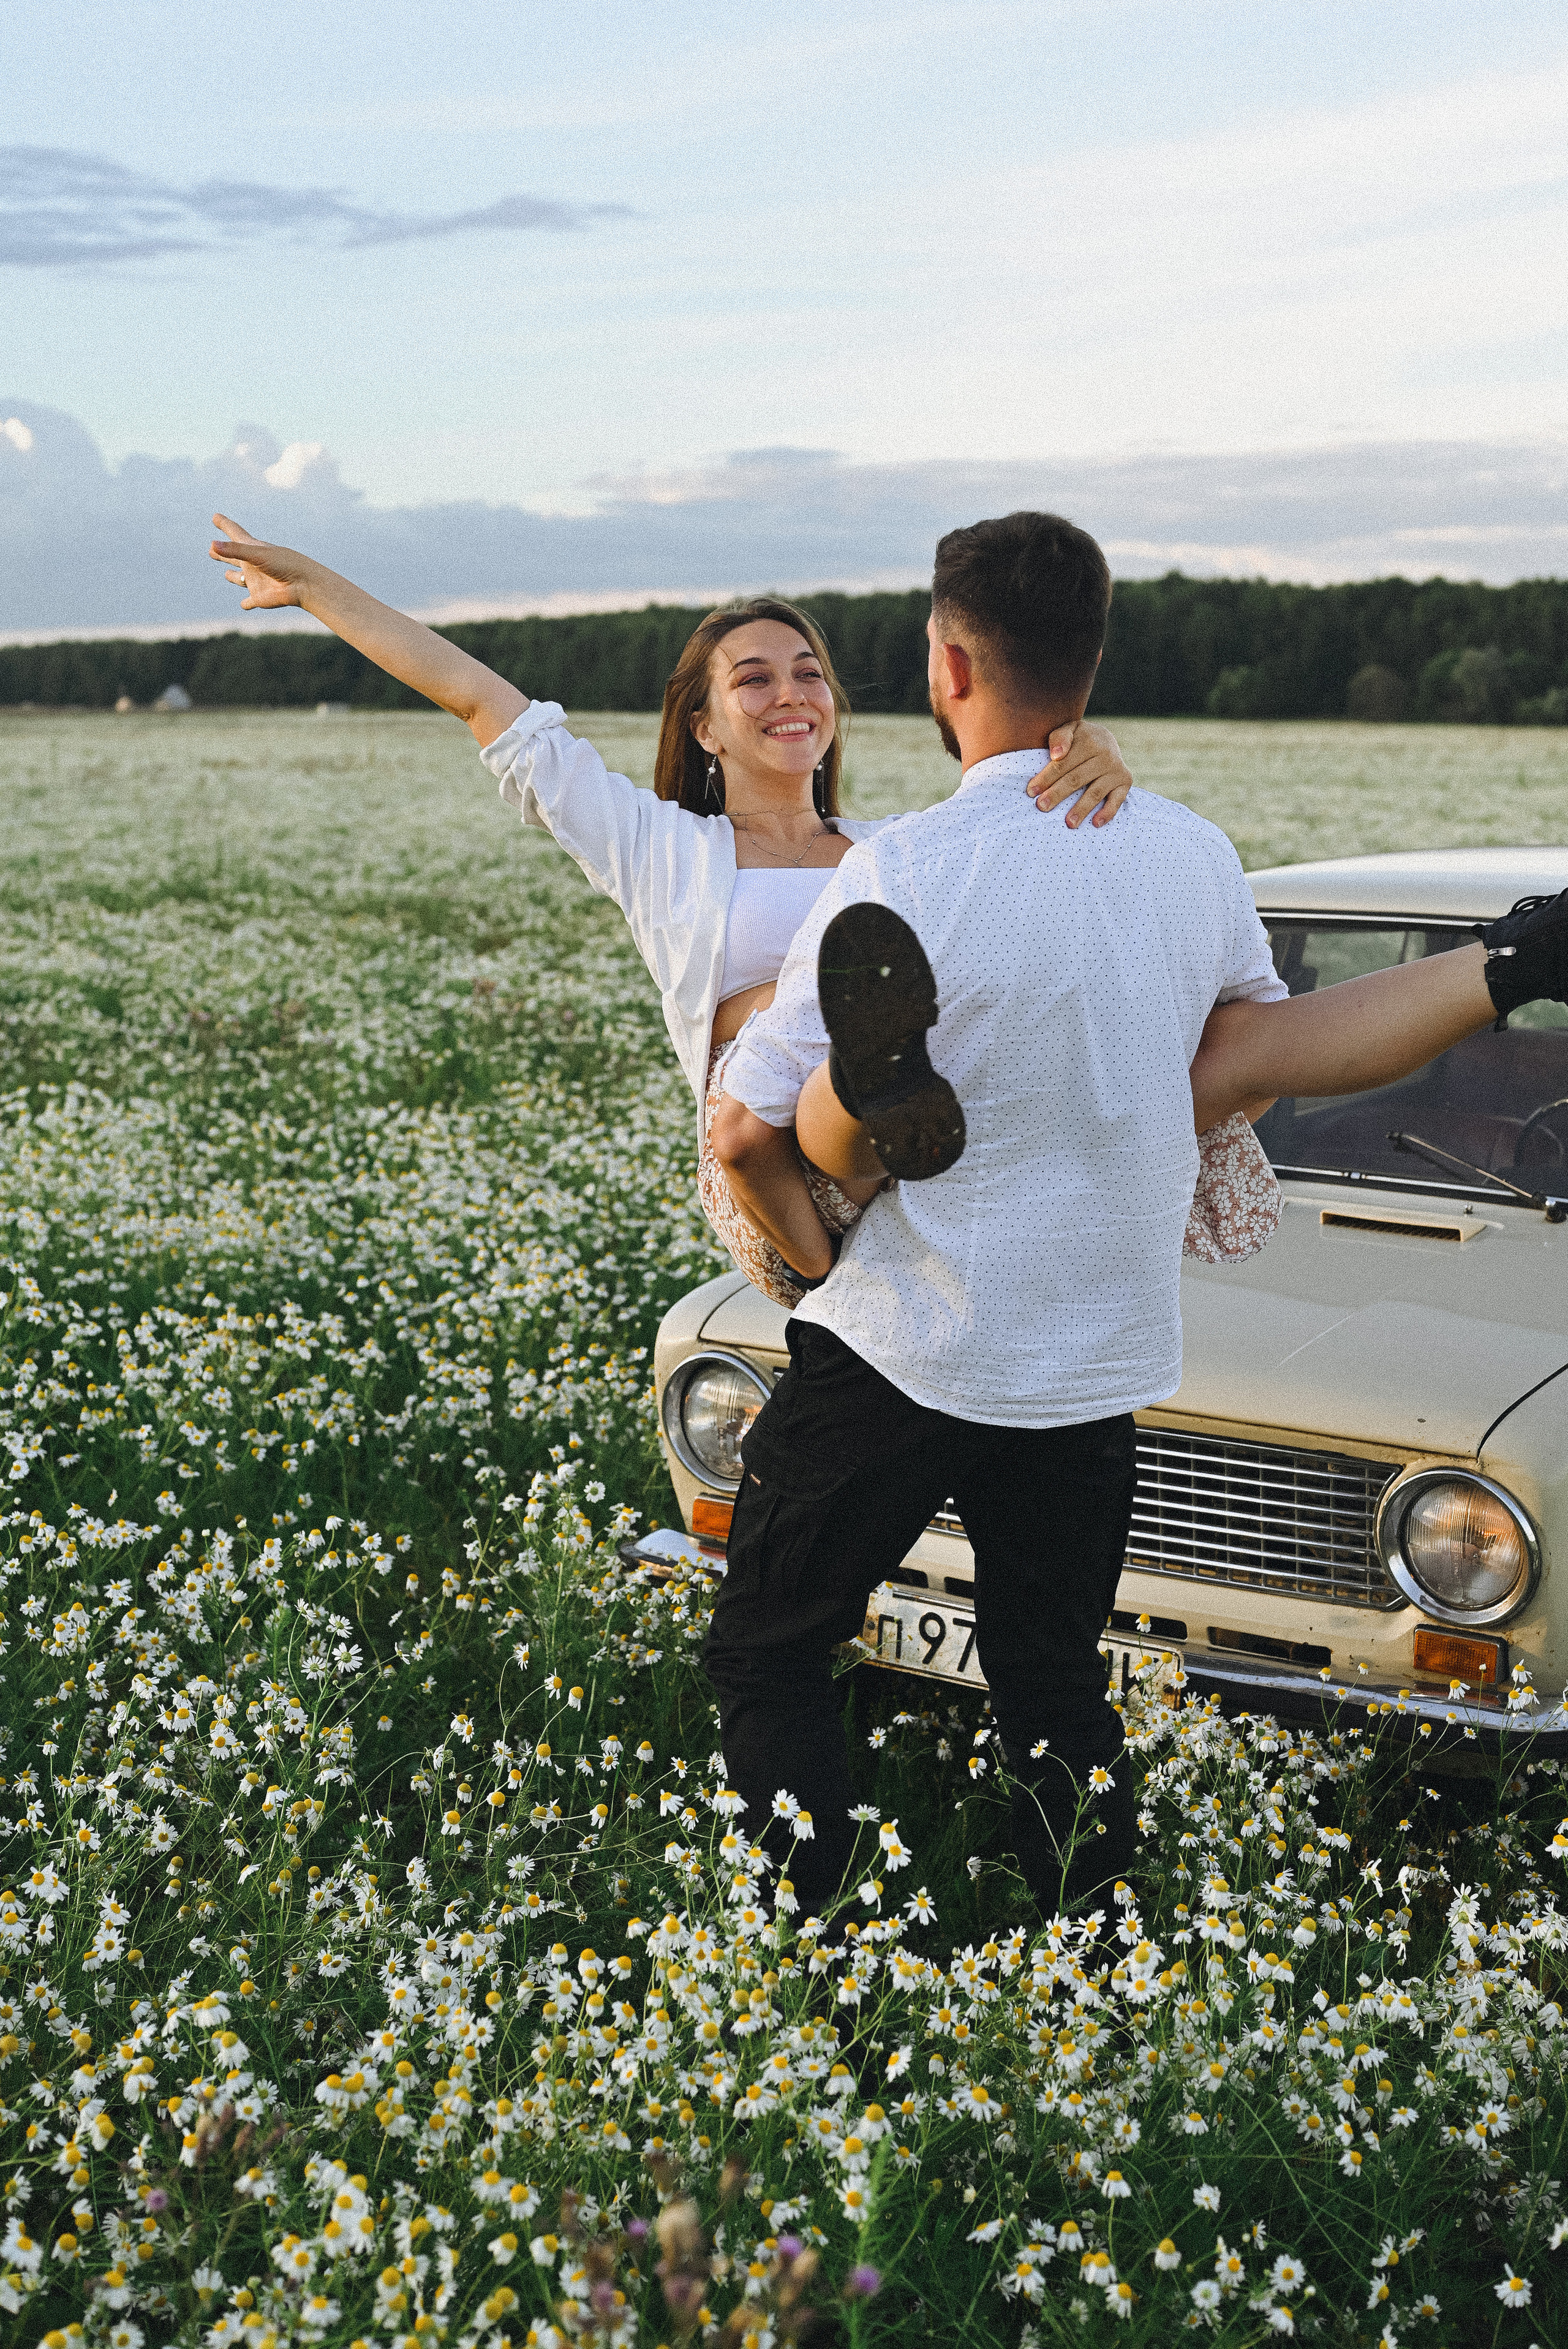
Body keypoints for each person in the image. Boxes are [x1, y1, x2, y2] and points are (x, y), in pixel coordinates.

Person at [705, 509, 1568, 1923]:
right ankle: (1085, 1939)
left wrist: (810, 1273)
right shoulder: (1182, 852)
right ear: (1090, 668)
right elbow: (1263, 1059)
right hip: (1088, 1352)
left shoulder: (906, 866)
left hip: (906, 1334)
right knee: (1050, 1677)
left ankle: (822, 1940)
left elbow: (739, 1136)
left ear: (944, 664)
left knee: (772, 1646)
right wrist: (1501, 965)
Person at [206, 518, 1133, 1303]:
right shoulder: (665, 853)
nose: (791, 695)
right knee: (831, 1020)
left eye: (809, 674)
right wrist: (316, 587)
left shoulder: (894, 845)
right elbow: (478, 698)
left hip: (921, 1166)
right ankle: (841, 1186)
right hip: (776, 1176)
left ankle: (887, 1104)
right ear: (703, 726)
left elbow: (1018, 806)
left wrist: (1086, 748)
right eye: (754, 679)